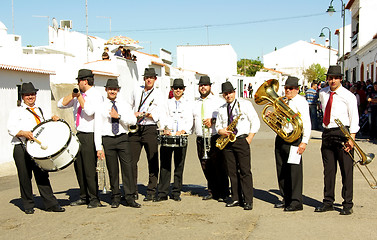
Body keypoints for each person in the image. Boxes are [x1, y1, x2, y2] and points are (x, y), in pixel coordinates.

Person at [7, 82, 65, 214]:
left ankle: (51, 204)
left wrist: (53, 119)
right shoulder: (16, 111)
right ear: (23, 96)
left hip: (37, 149)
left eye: (32, 94)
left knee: (42, 175)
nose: (30, 97)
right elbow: (10, 128)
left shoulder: (39, 110)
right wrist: (23, 133)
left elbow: (43, 127)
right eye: (27, 95)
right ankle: (28, 205)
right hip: (21, 147)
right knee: (24, 177)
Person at [315, 66, 359, 215]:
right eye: (330, 78)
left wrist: (351, 138)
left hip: (343, 134)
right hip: (327, 133)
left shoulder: (349, 96)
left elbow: (354, 118)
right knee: (328, 171)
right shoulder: (323, 92)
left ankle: (347, 204)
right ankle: (328, 202)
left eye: (335, 78)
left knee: (346, 171)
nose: (332, 80)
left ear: (341, 79)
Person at [58, 69, 104, 208]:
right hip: (79, 134)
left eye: (79, 81)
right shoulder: (79, 95)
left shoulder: (95, 94)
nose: (77, 83)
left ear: (85, 81)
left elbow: (89, 111)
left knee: (90, 169)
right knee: (79, 168)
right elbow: (61, 104)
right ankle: (84, 196)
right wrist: (73, 95)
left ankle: (94, 198)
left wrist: (79, 98)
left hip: (90, 134)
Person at [95, 79, 141, 208]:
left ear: (118, 90)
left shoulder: (124, 104)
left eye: (114, 89)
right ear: (106, 90)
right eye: (110, 89)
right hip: (108, 140)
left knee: (127, 169)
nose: (112, 91)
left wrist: (118, 116)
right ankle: (115, 196)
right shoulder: (101, 106)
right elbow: (97, 127)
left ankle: (130, 197)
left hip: (122, 138)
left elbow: (132, 121)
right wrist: (98, 147)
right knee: (112, 170)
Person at [216, 81, 260, 210]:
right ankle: (236, 198)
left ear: (234, 92)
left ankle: (248, 200)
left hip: (241, 139)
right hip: (227, 141)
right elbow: (218, 125)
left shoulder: (245, 104)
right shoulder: (222, 108)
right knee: (232, 171)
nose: (228, 95)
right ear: (223, 95)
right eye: (226, 93)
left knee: (245, 171)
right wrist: (221, 131)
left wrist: (249, 138)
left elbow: (255, 121)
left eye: (230, 93)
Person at [273, 76, 311, 212]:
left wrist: (304, 142)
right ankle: (286, 198)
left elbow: (306, 122)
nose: (287, 90)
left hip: (295, 139)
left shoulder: (301, 102)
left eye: (290, 88)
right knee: (281, 169)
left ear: (297, 89)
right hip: (282, 137)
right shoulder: (283, 101)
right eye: (286, 88)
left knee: (294, 171)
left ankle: (296, 202)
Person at [154, 79, 193, 202]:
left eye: (180, 88)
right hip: (168, 136)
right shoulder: (166, 103)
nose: (178, 90)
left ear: (183, 90)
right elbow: (162, 116)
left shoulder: (187, 104)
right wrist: (165, 128)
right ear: (172, 89)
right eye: (175, 88)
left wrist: (183, 130)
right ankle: (162, 193)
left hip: (181, 137)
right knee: (165, 165)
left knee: (179, 166)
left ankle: (176, 192)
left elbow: (189, 120)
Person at [128, 68, 163, 201]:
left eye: (151, 77)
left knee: (152, 159)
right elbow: (129, 106)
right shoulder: (137, 91)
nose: (149, 79)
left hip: (150, 127)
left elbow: (161, 111)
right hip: (136, 127)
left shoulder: (159, 94)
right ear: (144, 78)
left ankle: (151, 190)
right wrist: (133, 114)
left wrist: (150, 115)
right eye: (147, 77)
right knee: (131, 160)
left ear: (155, 79)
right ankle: (132, 190)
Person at [193, 76, 229, 201]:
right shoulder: (195, 102)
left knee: (219, 165)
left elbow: (223, 116)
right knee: (205, 165)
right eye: (201, 85)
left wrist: (212, 121)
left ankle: (224, 192)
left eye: (205, 85)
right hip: (200, 137)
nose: (203, 87)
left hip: (214, 136)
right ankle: (212, 190)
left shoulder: (217, 101)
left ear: (210, 87)